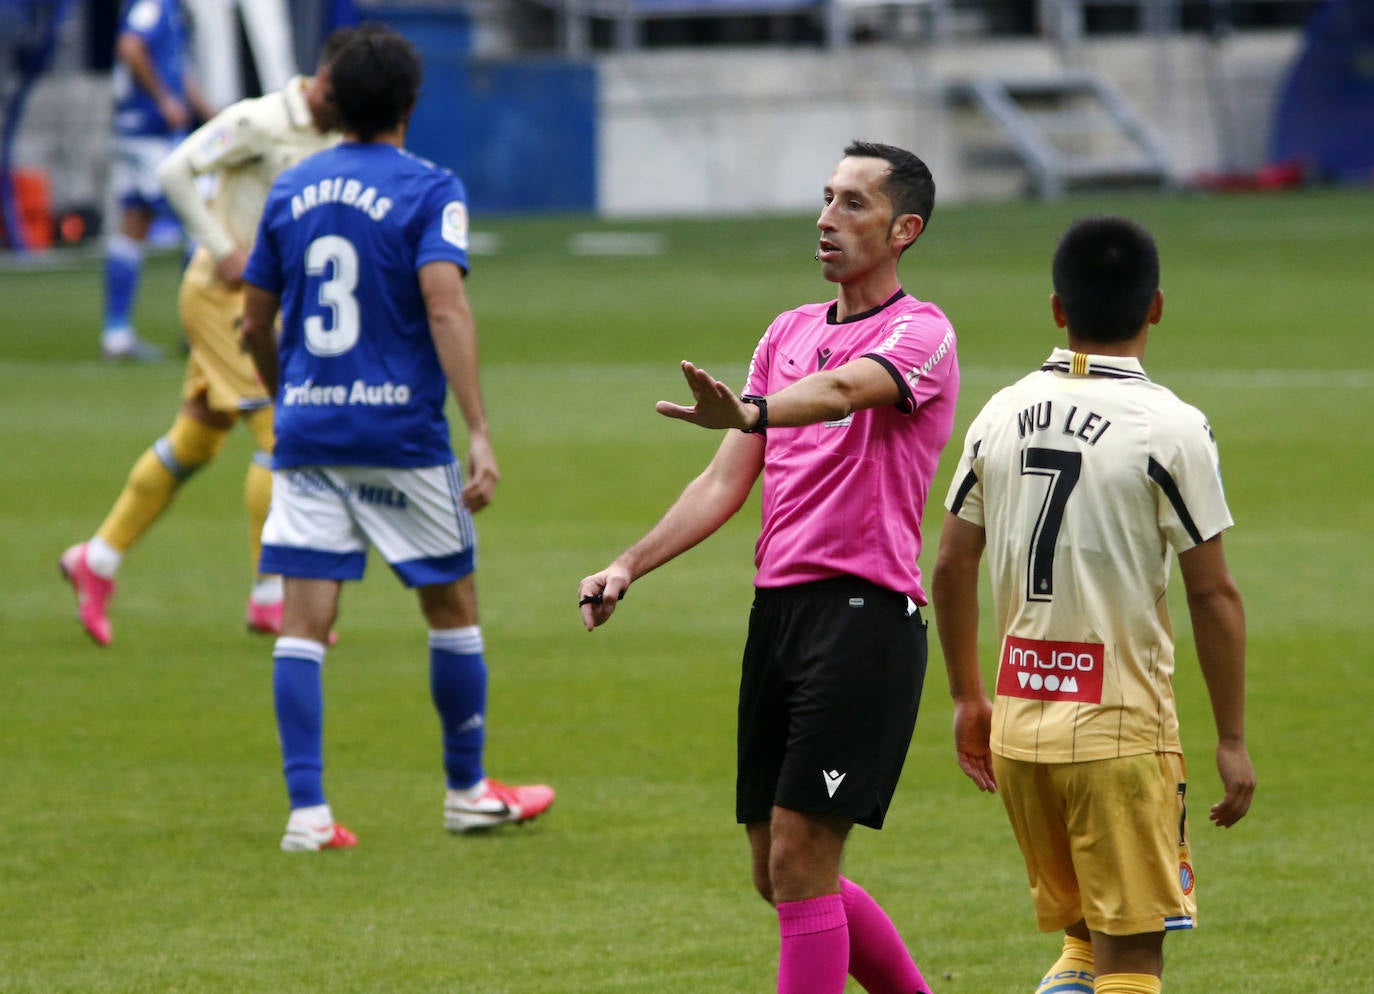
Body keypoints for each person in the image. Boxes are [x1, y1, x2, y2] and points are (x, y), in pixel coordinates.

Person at [579, 141, 956, 994]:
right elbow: (725, 478)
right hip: (780, 618)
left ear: (905, 229)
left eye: (852, 204)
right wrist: (628, 565)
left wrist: (749, 410)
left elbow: (846, 392)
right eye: (825, 199)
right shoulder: (786, 332)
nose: (826, 220)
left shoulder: (921, 333)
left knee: (799, 862)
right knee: (776, 872)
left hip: (865, 620)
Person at [240, 26, 555, 852]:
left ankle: (307, 815)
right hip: (401, 436)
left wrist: (291, 398)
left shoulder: (292, 186)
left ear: (332, 103)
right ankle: (465, 791)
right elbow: (444, 304)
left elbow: (253, 320)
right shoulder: (431, 188)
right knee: (451, 607)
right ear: (412, 104)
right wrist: (480, 429)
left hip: (309, 432)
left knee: (303, 621)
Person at [931, 216, 1257, 994]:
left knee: (1084, 946)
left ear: (1056, 308)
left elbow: (949, 564)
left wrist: (966, 698)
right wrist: (1234, 741)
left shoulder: (1000, 413)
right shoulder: (1173, 428)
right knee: (1133, 960)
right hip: (1118, 731)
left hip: (1019, 726)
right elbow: (1213, 593)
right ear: (1156, 307)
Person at [60, 28, 354, 647]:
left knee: (198, 434)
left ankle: (98, 559)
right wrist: (221, 248)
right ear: (323, 80)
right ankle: (270, 594)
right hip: (225, 297)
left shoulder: (334, 130)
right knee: (281, 428)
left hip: (268, 301)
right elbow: (174, 170)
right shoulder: (259, 119)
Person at [102, 0, 214, 360]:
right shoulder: (154, 4)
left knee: (134, 223)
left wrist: (210, 115)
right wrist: (164, 100)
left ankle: (116, 334)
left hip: (135, 133)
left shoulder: (169, 10)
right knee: (201, 217)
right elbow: (131, 46)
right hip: (153, 135)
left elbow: (178, 73)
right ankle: (198, 330)